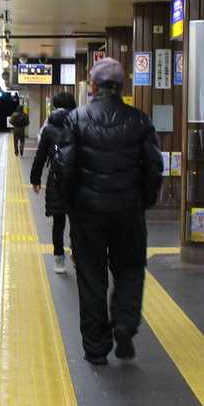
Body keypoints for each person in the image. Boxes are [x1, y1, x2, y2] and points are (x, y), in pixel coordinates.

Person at [58, 58, 163, 364]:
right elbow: (154, 167)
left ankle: (96, 348)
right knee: (130, 269)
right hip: (128, 212)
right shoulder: (140, 121)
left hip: (87, 213)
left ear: (93, 86)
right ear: (121, 86)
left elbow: (65, 167)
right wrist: (144, 200)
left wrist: (70, 204)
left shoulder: (76, 119)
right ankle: (125, 324)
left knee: (91, 277)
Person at [30, 92, 76, 275]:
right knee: (77, 221)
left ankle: (59, 259)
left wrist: (35, 179)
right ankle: (77, 252)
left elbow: (40, 156)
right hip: (79, 180)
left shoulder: (49, 129)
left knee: (58, 222)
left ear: (55, 107)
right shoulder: (82, 123)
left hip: (56, 179)